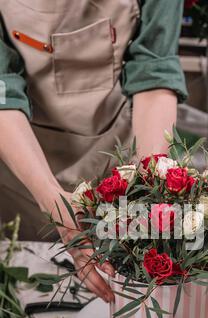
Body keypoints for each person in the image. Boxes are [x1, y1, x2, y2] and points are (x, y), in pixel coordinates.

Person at [0, 0, 187, 301]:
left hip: (114, 156)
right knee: (33, 291)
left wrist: (148, 185)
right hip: (24, 162)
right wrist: (53, 202)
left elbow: (153, 68)